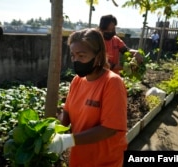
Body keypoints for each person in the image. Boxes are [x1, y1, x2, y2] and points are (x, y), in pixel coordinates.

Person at [48, 28, 127, 167]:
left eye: (81, 55)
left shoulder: (112, 82)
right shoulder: (77, 81)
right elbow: (67, 112)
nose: (76, 60)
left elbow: (109, 128)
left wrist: (67, 141)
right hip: (79, 158)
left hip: (104, 161)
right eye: (73, 55)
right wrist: (54, 132)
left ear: (98, 55)